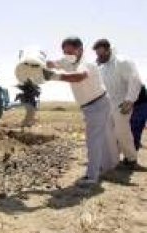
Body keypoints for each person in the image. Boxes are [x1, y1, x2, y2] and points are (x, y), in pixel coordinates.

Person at [44, 36, 119, 186]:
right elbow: (52, 63)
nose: (68, 56)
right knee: (102, 138)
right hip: (91, 106)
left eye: (71, 52)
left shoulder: (87, 63)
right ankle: (109, 167)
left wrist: (55, 76)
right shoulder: (68, 60)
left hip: (98, 104)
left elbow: (79, 76)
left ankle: (92, 177)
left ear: (80, 50)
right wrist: (35, 64)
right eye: (65, 53)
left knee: (93, 141)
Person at [92, 39, 143, 169]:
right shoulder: (101, 66)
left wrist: (130, 100)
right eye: (97, 54)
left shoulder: (122, 62)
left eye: (101, 54)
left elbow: (134, 79)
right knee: (108, 133)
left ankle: (131, 159)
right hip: (107, 104)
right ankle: (112, 160)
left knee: (122, 132)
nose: (99, 57)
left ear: (108, 50)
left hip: (122, 104)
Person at [131, 85, 147, 150]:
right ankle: (136, 144)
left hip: (141, 105)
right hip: (141, 105)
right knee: (137, 127)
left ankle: (135, 145)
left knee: (136, 127)